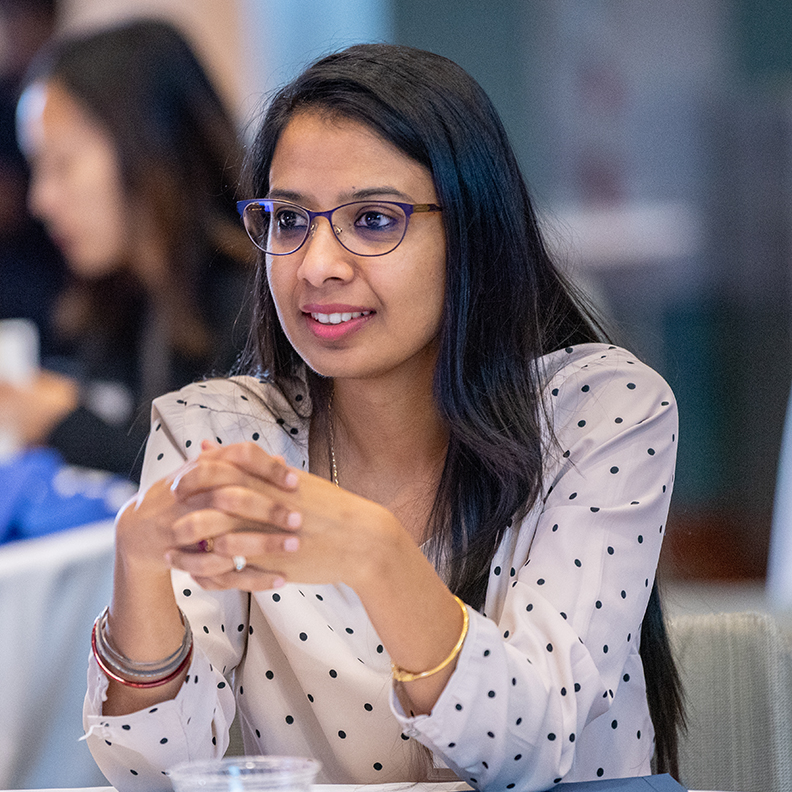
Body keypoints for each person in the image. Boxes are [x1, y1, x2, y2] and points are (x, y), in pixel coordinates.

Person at [82, 44, 683, 791]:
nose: (316, 265)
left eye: (372, 219)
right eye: (291, 220)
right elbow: (158, 777)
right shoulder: (216, 430)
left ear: (472, 231)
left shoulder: (601, 411)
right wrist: (137, 571)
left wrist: (375, 556)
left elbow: (531, 747)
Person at [6, 19, 251, 481]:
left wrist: (62, 423)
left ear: (149, 148)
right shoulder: (121, 302)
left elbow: (209, 474)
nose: (41, 201)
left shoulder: (248, 304)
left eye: (62, 164)